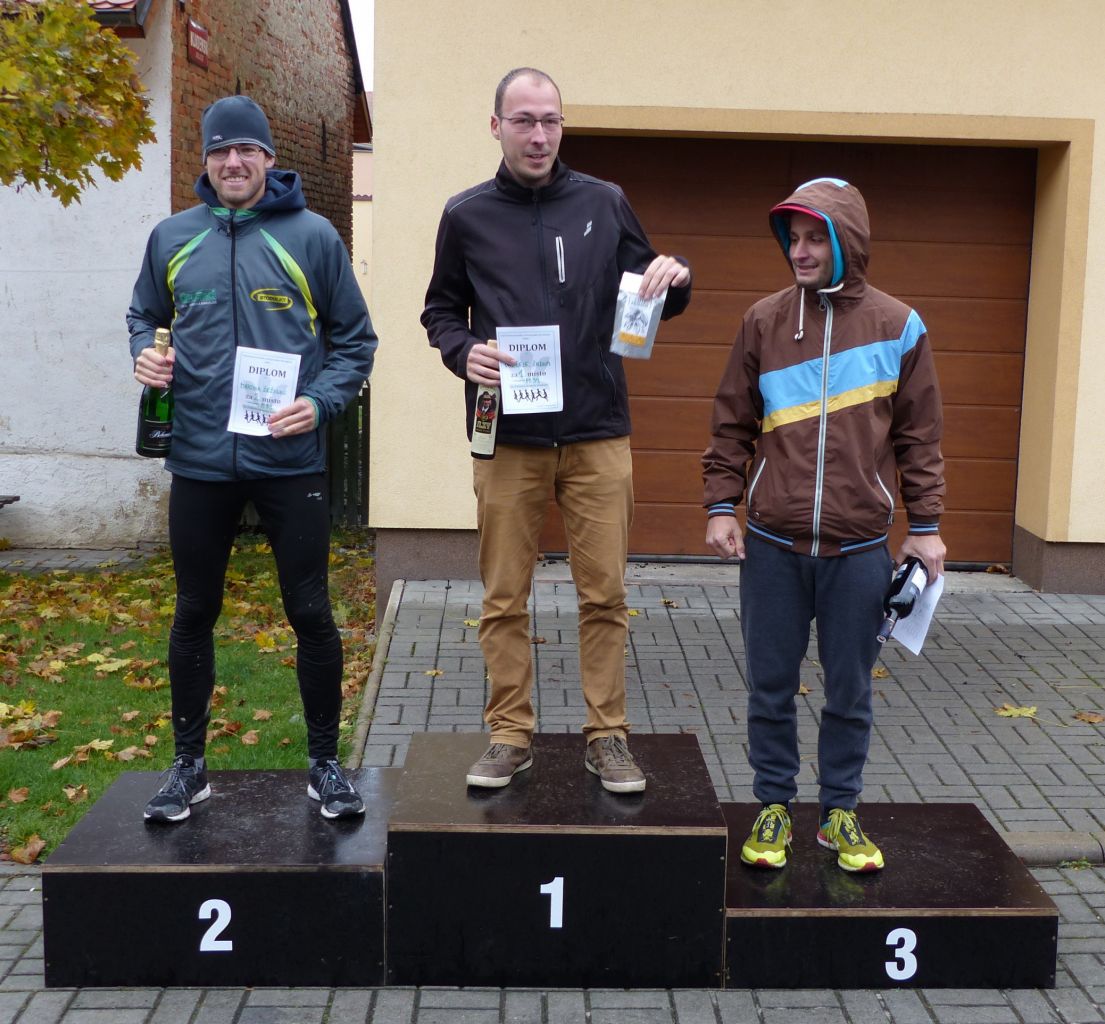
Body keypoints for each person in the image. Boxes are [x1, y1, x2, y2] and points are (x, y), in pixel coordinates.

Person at [422, 68, 691, 793]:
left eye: (550, 120)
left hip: (597, 433)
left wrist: (677, 277)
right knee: (503, 598)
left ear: (561, 125)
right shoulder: (466, 214)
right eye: (523, 121)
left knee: (604, 595)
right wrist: (462, 350)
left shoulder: (604, 202)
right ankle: (509, 735)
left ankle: (607, 736)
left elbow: (653, 288)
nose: (538, 135)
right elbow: (440, 310)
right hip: (507, 438)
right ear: (496, 127)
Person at [128, 95, 378, 823]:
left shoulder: (312, 236)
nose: (233, 162)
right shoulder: (172, 237)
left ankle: (325, 766)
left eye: (246, 150)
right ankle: (188, 769)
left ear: (269, 158)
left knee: (310, 611)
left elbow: (355, 341)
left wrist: (320, 403)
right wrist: (145, 352)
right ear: (206, 160)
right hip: (200, 459)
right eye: (220, 151)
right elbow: (145, 315)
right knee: (193, 611)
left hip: (289, 458)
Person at [702, 177, 945, 871]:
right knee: (770, 688)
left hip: (860, 551)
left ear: (848, 241)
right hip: (772, 546)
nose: (800, 251)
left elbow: (919, 438)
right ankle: (773, 806)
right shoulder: (762, 321)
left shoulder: (900, 326)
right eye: (793, 238)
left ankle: (839, 813)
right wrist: (721, 505)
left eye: (816, 238)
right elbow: (731, 423)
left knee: (850, 692)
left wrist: (925, 525)